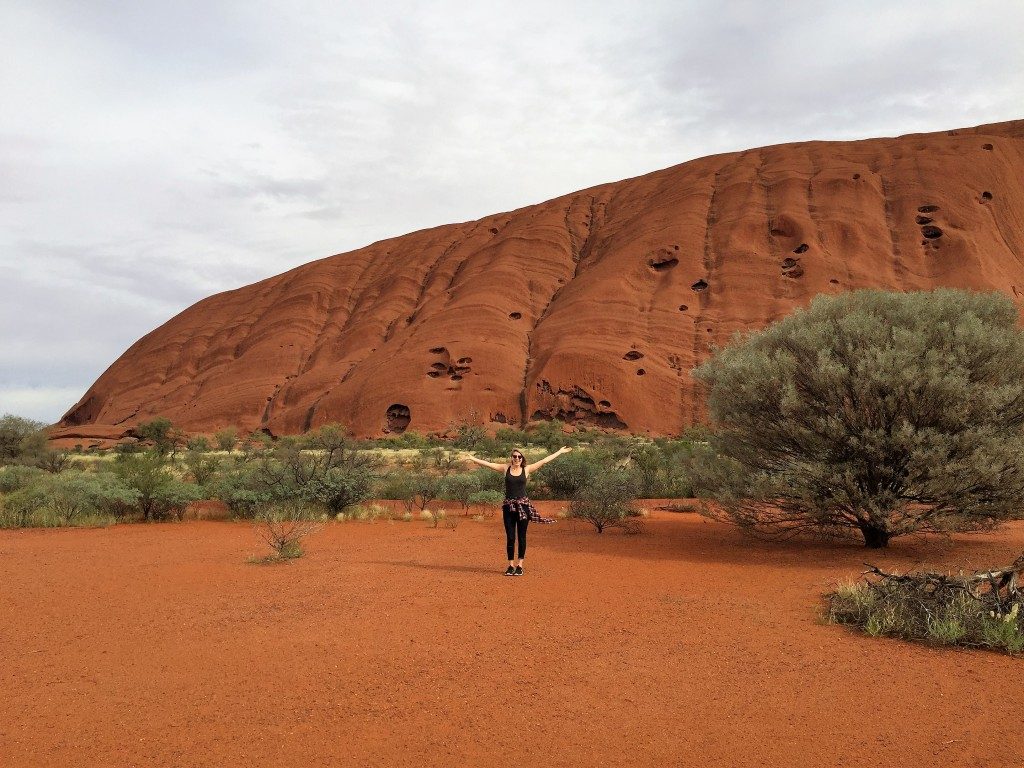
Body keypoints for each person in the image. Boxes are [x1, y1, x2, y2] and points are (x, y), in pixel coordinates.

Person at [463, 446, 572, 576]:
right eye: (514, 456)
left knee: (521, 537)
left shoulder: (526, 469)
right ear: (511, 458)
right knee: (510, 537)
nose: (517, 459)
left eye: (519, 457)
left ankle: (520, 565)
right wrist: (472, 458)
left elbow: (544, 461)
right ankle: (510, 565)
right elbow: (488, 464)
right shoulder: (505, 468)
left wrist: (559, 452)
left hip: (523, 507)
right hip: (509, 507)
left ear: (522, 458)